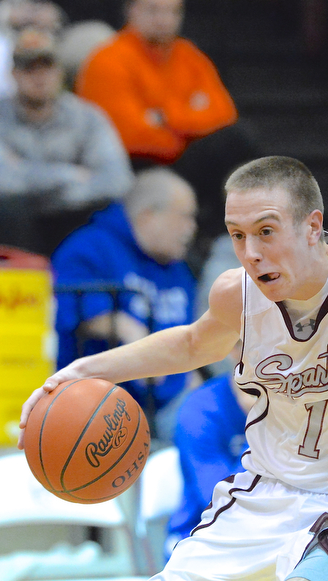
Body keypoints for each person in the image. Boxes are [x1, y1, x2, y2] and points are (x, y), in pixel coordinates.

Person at [20, 155, 328, 581]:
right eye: (237, 235)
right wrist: (84, 372)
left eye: (266, 231)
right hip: (263, 495)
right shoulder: (236, 293)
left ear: (312, 226)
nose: (250, 251)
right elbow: (192, 343)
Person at [74, 0, 258, 260]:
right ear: (131, 11)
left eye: (172, 11)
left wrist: (165, 117)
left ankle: (218, 234)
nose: (163, 19)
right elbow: (130, 136)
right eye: (153, 10)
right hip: (135, 168)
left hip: (183, 160)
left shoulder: (188, 56)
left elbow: (224, 114)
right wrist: (190, 116)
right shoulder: (108, 58)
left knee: (237, 140)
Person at [52, 167, 198, 442]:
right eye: (185, 217)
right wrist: (136, 340)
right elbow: (77, 309)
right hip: (97, 407)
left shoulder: (180, 270)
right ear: (148, 215)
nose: (192, 228)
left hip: (167, 401)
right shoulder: (89, 247)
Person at [0, 26, 133, 255]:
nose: (39, 76)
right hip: (13, 226)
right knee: (10, 208)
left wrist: (28, 176)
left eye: (47, 66)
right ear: (13, 74)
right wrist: (70, 174)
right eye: (29, 68)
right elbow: (5, 182)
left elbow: (117, 180)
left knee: (109, 210)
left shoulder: (88, 117)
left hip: (72, 219)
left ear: (60, 71)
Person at [164, 359, 255, 560]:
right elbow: (221, 502)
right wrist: (261, 425)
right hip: (200, 536)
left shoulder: (299, 405)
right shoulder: (200, 408)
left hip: (270, 530)